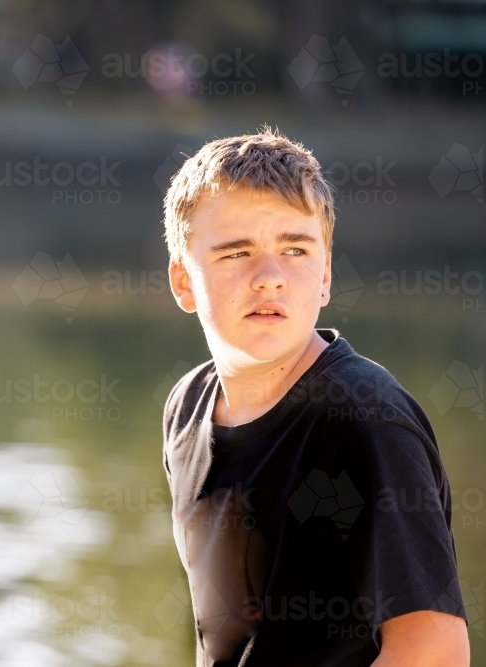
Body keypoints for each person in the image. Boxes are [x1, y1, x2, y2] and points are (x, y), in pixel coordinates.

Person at [160, 127, 469, 666]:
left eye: (295, 249)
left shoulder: (364, 423)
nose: (270, 278)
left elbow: (433, 652)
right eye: (237, 253)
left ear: (325, 274)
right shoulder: (188, 408)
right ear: (184, 282)